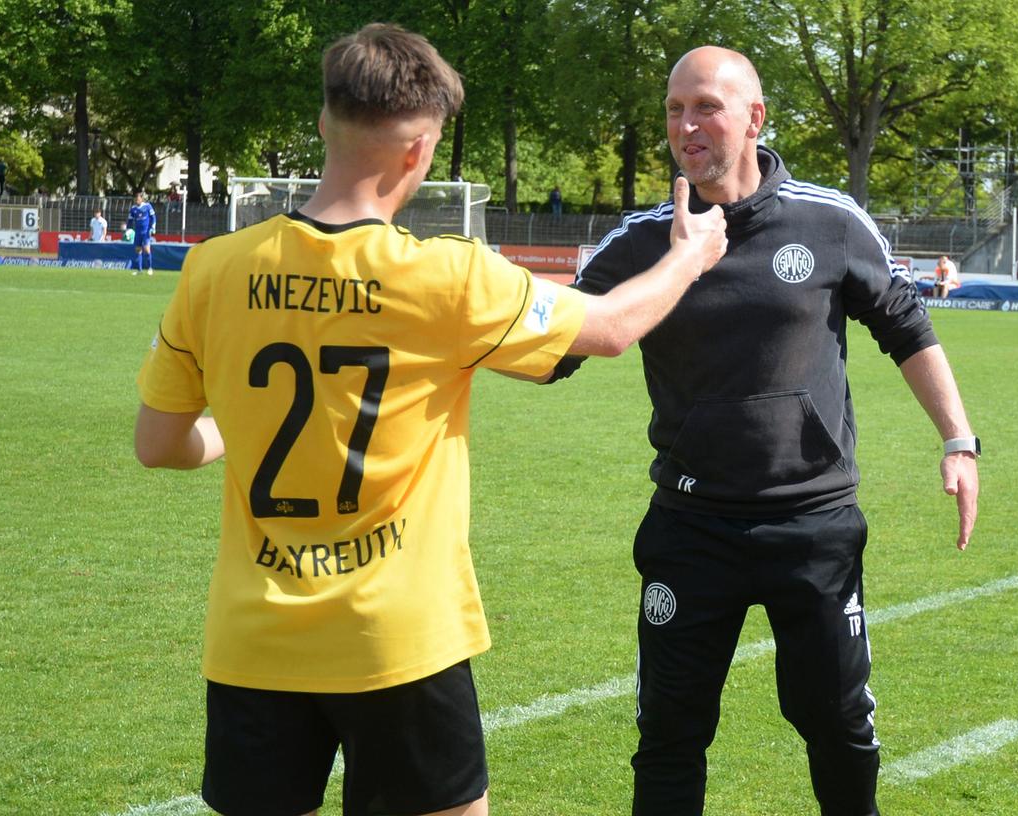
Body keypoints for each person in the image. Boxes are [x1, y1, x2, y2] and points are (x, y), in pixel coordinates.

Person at [132, 22, 727, 816]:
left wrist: (236, 428)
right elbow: (612, 326)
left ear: (322, 122)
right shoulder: (447, 278)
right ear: (418, 152)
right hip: (398, 640)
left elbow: (160, 444)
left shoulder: (213, 269)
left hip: (253, 643)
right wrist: (689, 253)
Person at [540, 46, 978, 816]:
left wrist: (957, 439)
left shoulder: (828, 219)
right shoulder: (642, 241)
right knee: (669, 734)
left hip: (812, 526)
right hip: (689, 527)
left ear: (754, 117)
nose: (686, 125)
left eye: (704, 106)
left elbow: (906, 326)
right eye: (674, 110)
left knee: (837, 724)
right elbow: (553, 348)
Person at [126, 190, 157, 275]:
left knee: (147, 249)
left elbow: (153, 217)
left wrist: (153, 227)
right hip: (138, 232)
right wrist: (128, 229)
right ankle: (140, 270)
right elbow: (130, 220)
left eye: (138, 199)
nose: (136, 200)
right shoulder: (133, 208)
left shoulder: (147, 206)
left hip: (146, 232)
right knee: (138, 250)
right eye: (135, 199)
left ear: (142, 199)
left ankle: (150, 268)